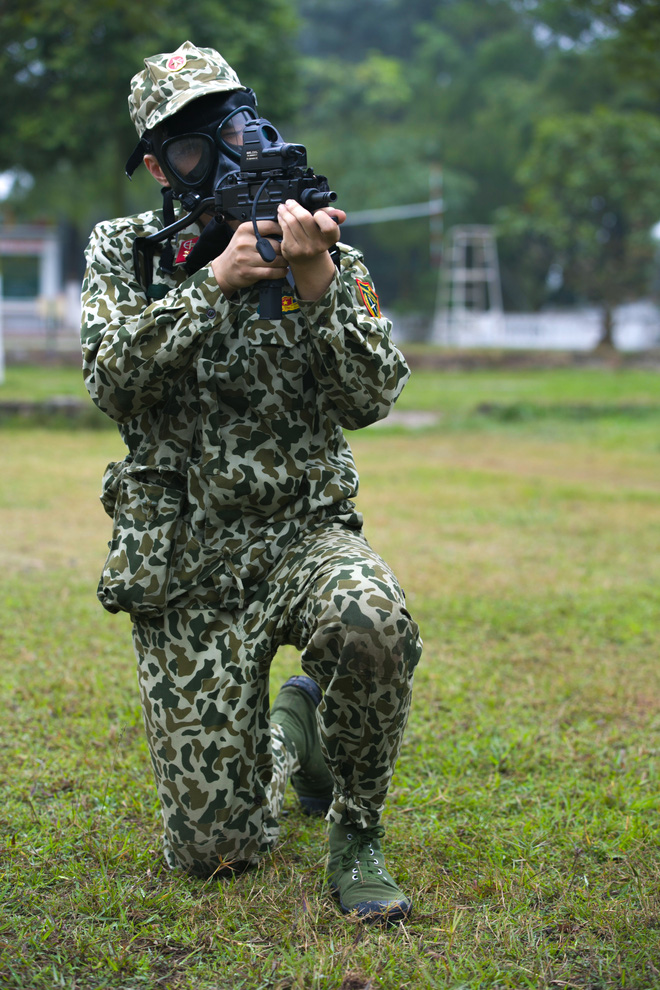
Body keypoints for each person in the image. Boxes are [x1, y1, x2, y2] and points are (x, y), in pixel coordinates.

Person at [81, 41, 422, 924]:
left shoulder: (322, 242)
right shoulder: (126, 251)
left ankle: (356, 834)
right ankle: (290, 733)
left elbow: (375, 396)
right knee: (214, 854)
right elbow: (110, 376)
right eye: (193, 146)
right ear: (159, 166)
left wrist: (315, 286)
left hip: (304, 533)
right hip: (186, 563)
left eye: (231, 126)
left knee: (372, 622)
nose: (226, 153)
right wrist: (213, 284)